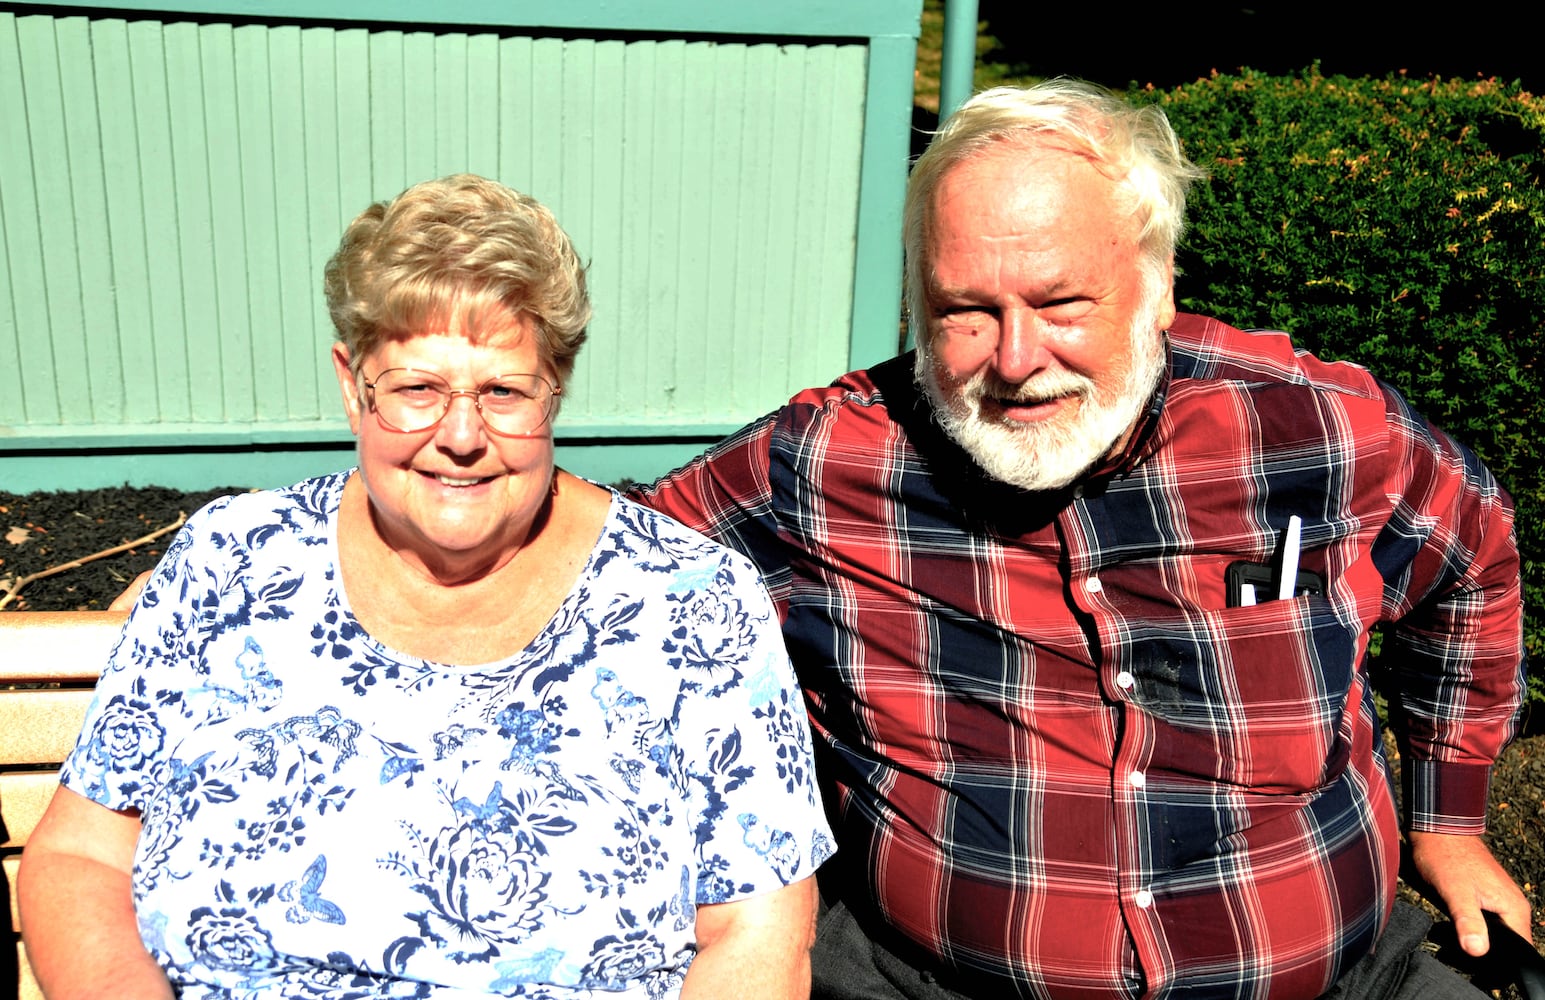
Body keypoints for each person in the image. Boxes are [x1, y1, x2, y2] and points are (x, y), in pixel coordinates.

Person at [633, 80, 1532, 999]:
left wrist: (1447, 820)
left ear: (1158, 281)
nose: (1015, 362)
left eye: (1060, 303)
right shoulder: (826, 466)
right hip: (941, 979)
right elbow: (598, 557)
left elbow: (1473, 560)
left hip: (1335, 977)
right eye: (963, 311)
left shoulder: (1317, 431)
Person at [18, 174, 833, 999]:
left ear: (556, 391)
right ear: (351, 386)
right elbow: (80, 858)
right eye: (416, 389)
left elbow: (754, 933)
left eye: (504, 392)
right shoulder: (231, 562)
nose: (461, 436)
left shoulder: (691, 600)